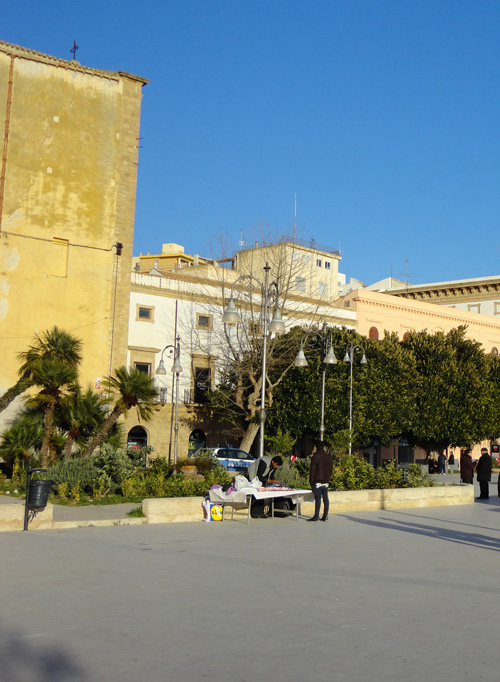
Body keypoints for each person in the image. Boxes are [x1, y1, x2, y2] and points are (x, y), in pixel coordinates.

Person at [307, 440, 333, 522]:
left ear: (316, 447)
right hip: (326, 480)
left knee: (318, 498)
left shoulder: (315, 457)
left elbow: (312, 470)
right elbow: (331, 469)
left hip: (317, 480)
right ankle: (325, 515)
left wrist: (311, 481)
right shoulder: (328, 457)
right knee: (325, 497)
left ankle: (316, 516)